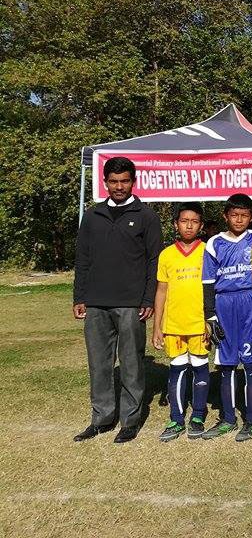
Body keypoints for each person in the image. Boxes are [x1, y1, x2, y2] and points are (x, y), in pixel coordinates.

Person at [73, 156, 162, 444]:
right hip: (96, 302)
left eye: (124, 181)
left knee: (131, 363)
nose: (119, 186)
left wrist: (147, 298)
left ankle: (130, 421)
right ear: (105, 182)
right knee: (99, 364)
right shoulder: (93, 215)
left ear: (133, 182)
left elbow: (154, 261)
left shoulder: (146, 216)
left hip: (131, 303)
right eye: (113, 181)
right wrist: (80, 296)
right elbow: (82, 258)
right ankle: (101, 419)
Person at [200, 194, 252, 441]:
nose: (239, 220)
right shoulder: (214, 243)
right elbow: (208, 281)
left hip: (250, 301)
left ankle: (251, 419)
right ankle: (228, 418)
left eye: (244, 215)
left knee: (250, 362)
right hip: (224, 303)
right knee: (226, 363)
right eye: (234, 215)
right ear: (225, 216)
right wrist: (210, 315)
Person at [152, 203, 210, 441]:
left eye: (194, 221)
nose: (189, 226)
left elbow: (213, 290)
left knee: (200, 367)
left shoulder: (208, 251)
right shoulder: (166, 254)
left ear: (201, 226)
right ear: (176, 224)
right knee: (177, 369)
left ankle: (198, 415)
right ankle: (176, 418)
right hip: (174, 325)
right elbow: (161, 291)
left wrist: (210, 320)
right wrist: (157, 326)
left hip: (199, 324)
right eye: (184, 221)